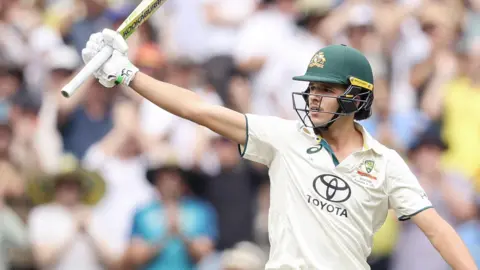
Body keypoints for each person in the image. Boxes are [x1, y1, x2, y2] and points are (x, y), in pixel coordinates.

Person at [80, 29, 478, 269]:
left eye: (326, 89)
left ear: (357, 96)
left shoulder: (386, 162)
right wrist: (128, 74)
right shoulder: (284, 138)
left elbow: (438, 229)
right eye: (312, 89)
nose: (312, 98)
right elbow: (197, 109)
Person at [122, 160, 218, 270]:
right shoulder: (143, 213)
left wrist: (181, 233)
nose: (169, 182)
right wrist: (164, 236)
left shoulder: (201, 211)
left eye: (174, 177)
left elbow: (203, 252)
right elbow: (136, 257)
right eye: (164, 177)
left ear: (183, 180)